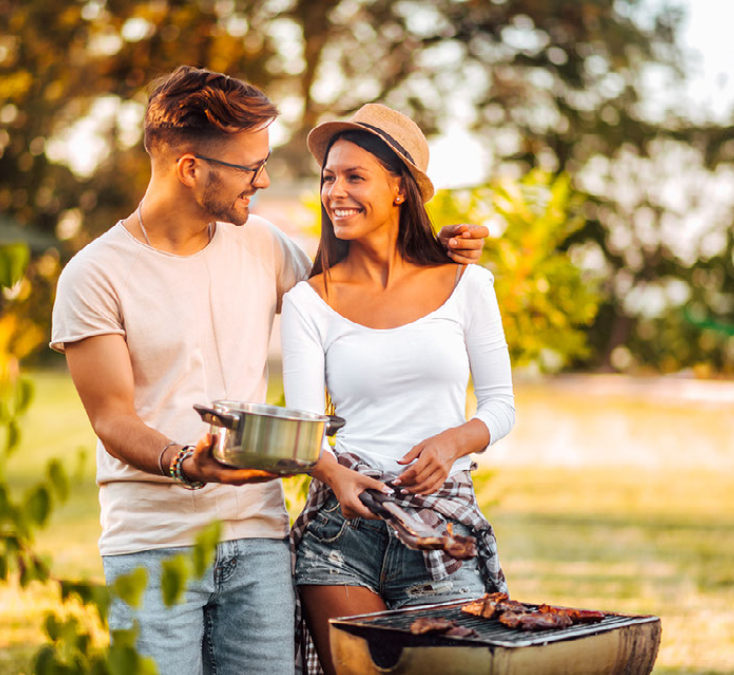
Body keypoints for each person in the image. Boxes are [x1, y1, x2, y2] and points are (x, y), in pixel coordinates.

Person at [49, 67, 488, 675]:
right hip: (152, 545)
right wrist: (187, 462)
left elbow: (357, 297)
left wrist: (432, 257)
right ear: (191, 168)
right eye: (251, 167)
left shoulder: (263, 244)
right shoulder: (95, 274)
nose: (266, 178)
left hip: (256, 537)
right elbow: (112, 418)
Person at [280, 104, 516, 674]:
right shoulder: (309, 300)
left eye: (354, 177)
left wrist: (453, 442)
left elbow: (500, 406)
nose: (335, 191)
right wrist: (331, 472)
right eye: (329, 178)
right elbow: (306, 430)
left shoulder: (467, 284)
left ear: (399, 190)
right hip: (343, 531)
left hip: (442, 527)